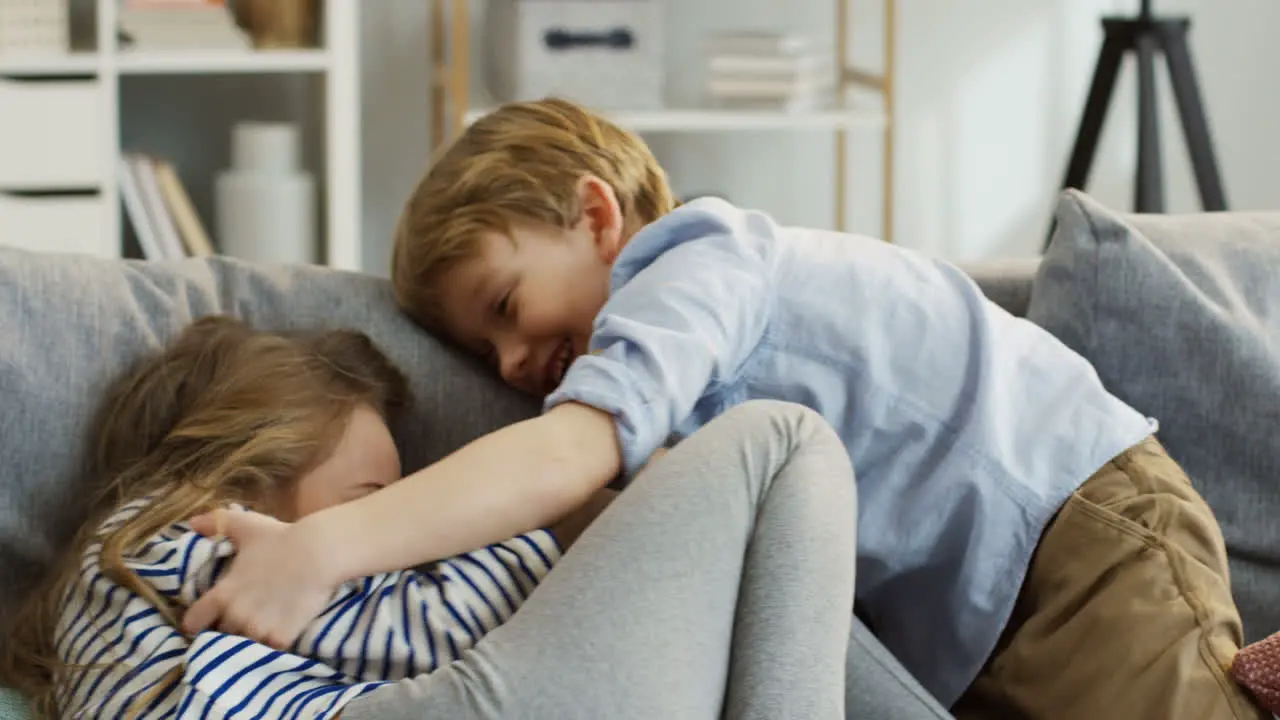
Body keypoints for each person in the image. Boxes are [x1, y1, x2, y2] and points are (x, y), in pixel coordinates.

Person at [181, 98, 1265, 720]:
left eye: (504, 305)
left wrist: (326, 548)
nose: (511, 359)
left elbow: (559, 459)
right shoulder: (672, 414)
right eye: (481, 347)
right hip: (976, 636)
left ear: (596, 214)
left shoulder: (700, 260)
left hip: (1074, 533)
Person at [0, 316, 953, 719]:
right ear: (250, 464)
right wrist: (566, 523)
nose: (393, 538)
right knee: (783, 442)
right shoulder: (175, 545)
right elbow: (428, 627)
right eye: (375, 505)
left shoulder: (112, 594)